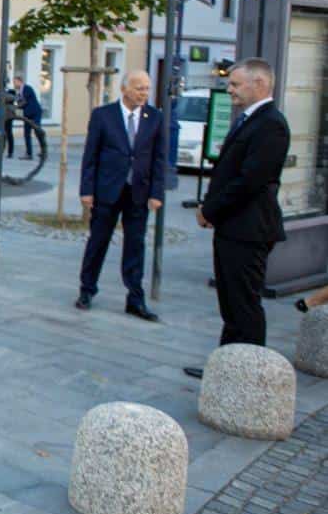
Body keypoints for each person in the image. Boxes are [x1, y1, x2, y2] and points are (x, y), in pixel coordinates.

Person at [185, 59, 290, 378]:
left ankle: (247, 376)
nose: (229, 89)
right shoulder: (249, 120)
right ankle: (225, 369)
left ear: (260, 84)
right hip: (234, 227)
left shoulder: (271, 124)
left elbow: (249, 180)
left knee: (244, 305)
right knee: (231, 304)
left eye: (235, 84)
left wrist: (210, 210)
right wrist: (210, 207)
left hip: (249, 230)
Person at [76, 69, 166, 322]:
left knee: (135, 245)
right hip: (107, 190)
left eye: (147, 88)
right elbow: (90, 155)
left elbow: (159, 159)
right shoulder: (103, 115)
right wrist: (87, 190)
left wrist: (156, 192)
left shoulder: (155, 118)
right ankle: (87, 290)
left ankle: (135, 299)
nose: (144, 93)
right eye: (139, 88)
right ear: (124, 89)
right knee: (98, 241)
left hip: (138, 192)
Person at [3, 74, 43, 159]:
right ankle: (29, 154)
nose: (14, 84)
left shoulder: (27, 88)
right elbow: (20, 103)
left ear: (19, 81)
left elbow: (24, 102)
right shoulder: (19, 91)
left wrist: (15, 108)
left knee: (38, 131)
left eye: (15, 82)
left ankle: (43, 150)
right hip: (27, 115)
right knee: (26, 134)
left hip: (35, 113)